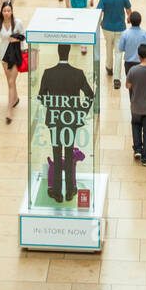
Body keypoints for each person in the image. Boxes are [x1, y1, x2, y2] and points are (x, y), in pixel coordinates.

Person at [38, 45, 95, 202]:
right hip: (71, 119)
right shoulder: (78, 73)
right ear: (69, 53)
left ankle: (57, 191)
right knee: (69, 153)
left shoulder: (48, 73)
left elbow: (41, 96)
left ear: (58, 53)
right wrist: (81, 112)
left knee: (57, 152)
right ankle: (70, 189)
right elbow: (90, 95)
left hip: (55, 119)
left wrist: (52, 107)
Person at [0, 0, 26, 123]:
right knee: (10, 82)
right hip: (4, 56)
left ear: (12, 11)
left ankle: (9, 110)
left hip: (16, 55)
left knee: (11, 81)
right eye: (4, 11)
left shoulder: (17, 23)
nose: (6, 13)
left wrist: (16, 40)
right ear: (2, 12)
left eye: (8, 10)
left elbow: (23, 36)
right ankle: (15, 99)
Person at [97, 0, 131, 86]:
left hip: (107, 27)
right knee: (118, 52)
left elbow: (99, 11)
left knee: (108, 47)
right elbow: (128, 9)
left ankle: (109, 67)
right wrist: (129, 18)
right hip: (120, 27)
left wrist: (100, 21)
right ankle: (117, 78)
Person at [119, 9, 146, 78]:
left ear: (130, 21)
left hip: (129, 64)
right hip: (143, 63)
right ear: (140, 21)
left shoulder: (125, 34)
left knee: (131, 85)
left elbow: (120, 48)